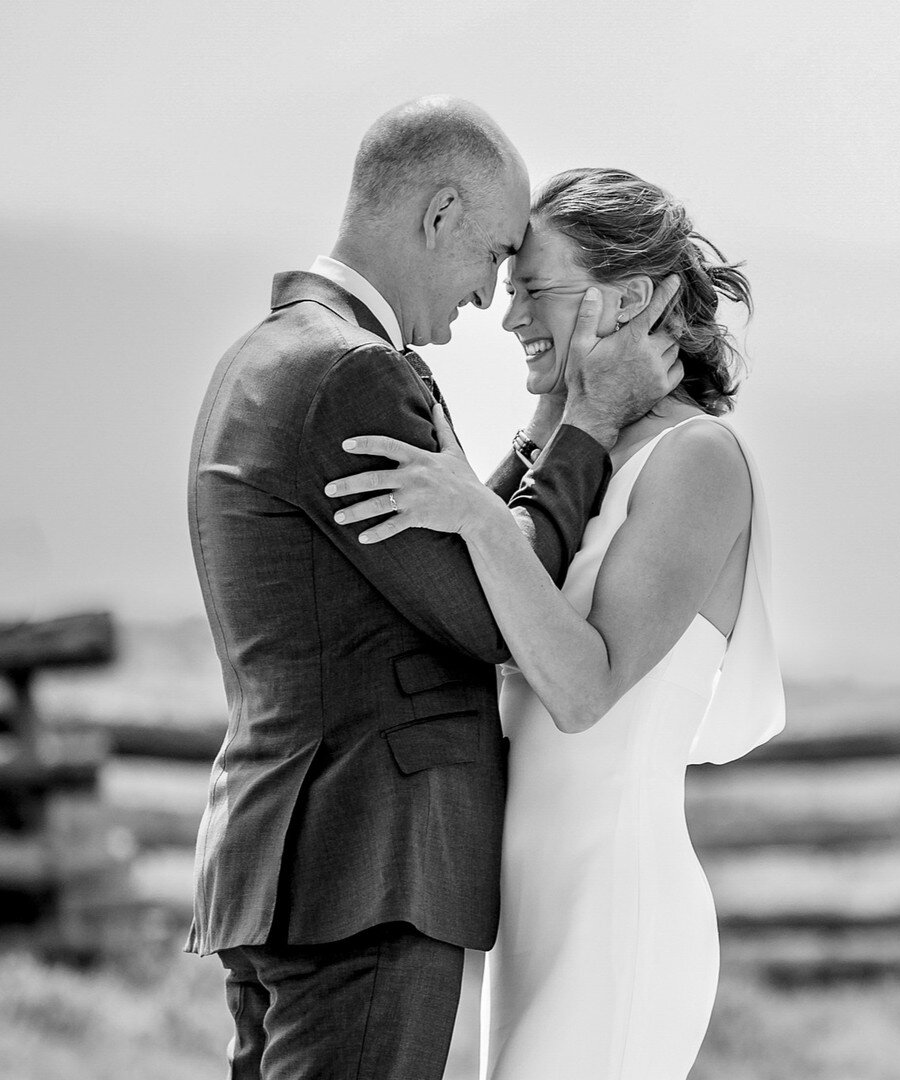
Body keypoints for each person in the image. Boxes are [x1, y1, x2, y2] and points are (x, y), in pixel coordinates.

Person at [186, 104, 681, 1080]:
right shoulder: (352, 373)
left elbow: (442, 557)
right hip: (367, 869)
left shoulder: (269, 355)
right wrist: (584, 419)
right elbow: (498, 597)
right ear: (442, 212)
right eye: (496, 254)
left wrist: (535, 437)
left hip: (295, 862)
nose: (492, 299)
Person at [327, 167, 786, 1079]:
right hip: (534, 911)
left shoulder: (697, 459)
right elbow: (476, 602)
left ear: (631, 298)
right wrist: (556, 418)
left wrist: (470, 508)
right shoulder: (589, 451)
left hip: (615, 908)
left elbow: (583, 691)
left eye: (535, 288)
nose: (508, 316)